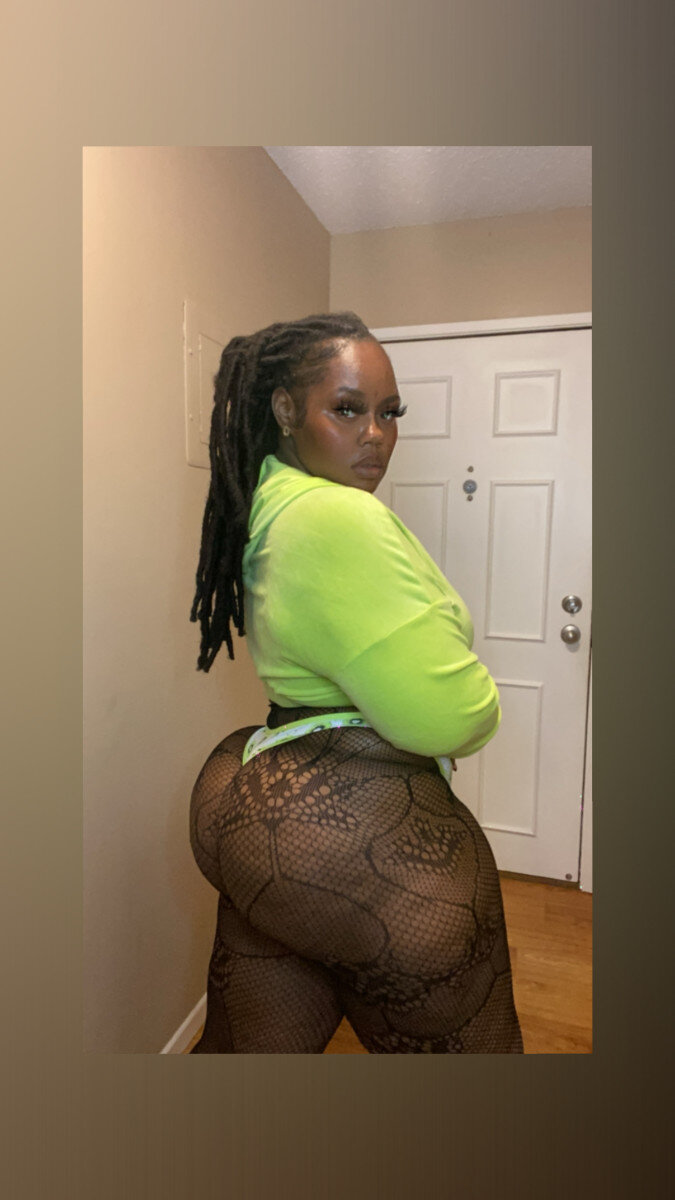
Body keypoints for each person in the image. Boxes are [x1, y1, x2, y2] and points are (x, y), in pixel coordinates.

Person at [188, 311, 523, 1053]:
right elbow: (450, 715)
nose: (376, 434)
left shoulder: (274, 504)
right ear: (285, 411)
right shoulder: (338, 517)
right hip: (354, 830)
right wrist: (477, 689)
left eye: (389, 412)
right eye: (347, 409)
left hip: (260, 802)